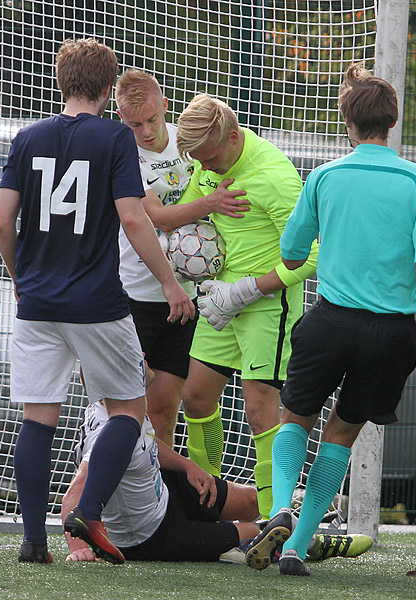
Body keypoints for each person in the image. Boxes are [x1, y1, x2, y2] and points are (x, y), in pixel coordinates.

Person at [244, 63, 416, 577]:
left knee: (293, 417)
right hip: (391, 334)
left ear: (346, 120)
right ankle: (296, 545)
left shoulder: (325, 176)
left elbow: (292, 254)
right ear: (393, 120)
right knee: (340, 436)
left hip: (330, 323)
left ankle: (277, 512)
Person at [0, 39, 195, 564]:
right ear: (108, 90)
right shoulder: (114, 139)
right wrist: (171, 283)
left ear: (60, 82)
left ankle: (34, 541)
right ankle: (90, 510)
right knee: (128, 409)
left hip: (36, 305)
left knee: (38, 418)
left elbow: (1, 222)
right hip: (98, 303)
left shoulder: (26, 137)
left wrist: (21, 278)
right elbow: (133, 216)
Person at [173, 94, 319, 519]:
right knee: (196, 396)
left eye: (212, 158)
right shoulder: (205, 163)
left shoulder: (274, 176)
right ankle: (207, 507)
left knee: (259, 412)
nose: (207, 167)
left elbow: (312, 255)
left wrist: (248, 290)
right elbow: (194, 218)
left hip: (265, 306)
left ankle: (275, 519)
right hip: (219, 302)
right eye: (199, 160)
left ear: (234, 137)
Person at [113, 69, 249, 447]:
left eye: (153, 119)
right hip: (136, 295)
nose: (145, 131)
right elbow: (154, 216)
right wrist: (211, 203)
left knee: (165, 410)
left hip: (188, 298)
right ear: (121, 118)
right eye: (133, 123)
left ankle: (166, 500)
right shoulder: (121, 151)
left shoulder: (188, 141)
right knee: (126, 411)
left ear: (165, 107)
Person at [61, 401, 374, 564]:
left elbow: (148, 444)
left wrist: (187, 465)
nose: (144, 356)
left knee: (252, 501)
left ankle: (290, 523)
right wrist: (78, 547)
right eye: (137, 355)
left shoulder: (125, 402)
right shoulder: (106, 427)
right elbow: (75, 492)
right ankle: (305, 542)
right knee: (252, 532)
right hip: (150, 536)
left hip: (165, 492)